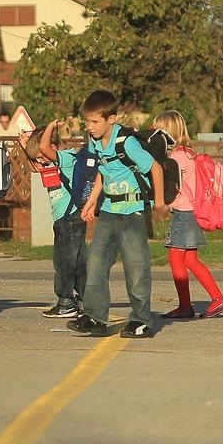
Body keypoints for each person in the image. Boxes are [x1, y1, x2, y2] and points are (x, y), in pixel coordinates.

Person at [70, 90, 159, 338]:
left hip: (132, 212)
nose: (89, 127)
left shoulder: (126, 142)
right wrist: (92, 201)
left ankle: (141, 319)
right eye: (87, 121)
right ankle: (95, 317)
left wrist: (160, 201)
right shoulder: (96, 142)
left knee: (135, 266)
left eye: (94, 122)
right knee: (95, 261)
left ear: (111, 119)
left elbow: (155, 167)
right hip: (109, 210)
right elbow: (103, 170)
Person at [150, 110, 223, 320]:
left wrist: (161, 204)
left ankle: (197, 303)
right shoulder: (187, 153)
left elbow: (172, 188)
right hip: (191, 211)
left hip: (184, 213)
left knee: (175, 259)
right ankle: (210, 299)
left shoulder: (175, 157)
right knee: (191, 260)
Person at [13, 119, 87, 319]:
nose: (40, 160)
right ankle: (83, 300)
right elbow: (35, 168)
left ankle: (66, 302)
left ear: (52, 148)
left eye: (41, 156)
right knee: (76, 261)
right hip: (62, 219)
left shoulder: (66, 157)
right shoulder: (50, 163)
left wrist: (52, 127)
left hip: (71, 216)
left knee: (66, 262)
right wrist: (23, 147)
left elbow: (44, 147)